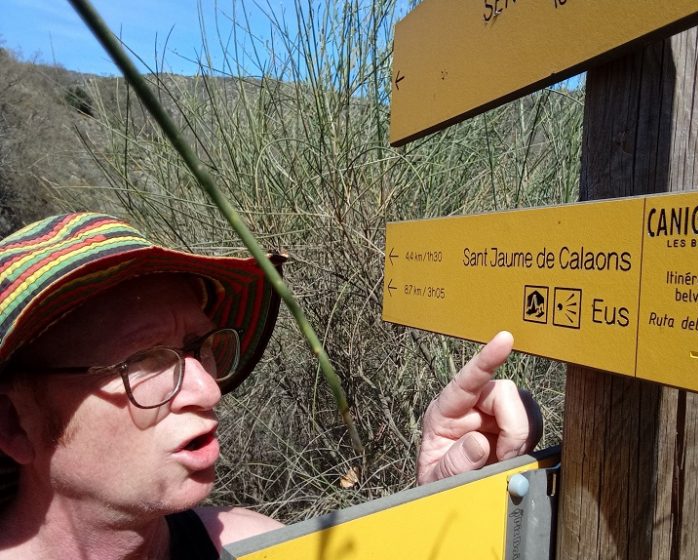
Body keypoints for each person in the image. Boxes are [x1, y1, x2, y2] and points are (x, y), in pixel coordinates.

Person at [0, 212, 541, 559]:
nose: (210, 391)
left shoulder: (256, 547)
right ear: (13, 422)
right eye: (145, 362)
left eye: (201, 348)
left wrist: (439, 506)